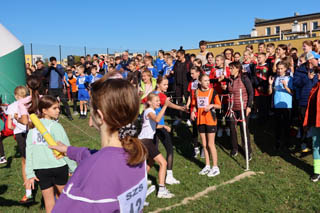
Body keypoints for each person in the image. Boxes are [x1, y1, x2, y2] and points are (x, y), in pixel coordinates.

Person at [50, 78, 148, 211]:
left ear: (100, 116)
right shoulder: (137, 154)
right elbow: (92, 156)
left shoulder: (93, 171)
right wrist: (68, 150)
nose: (90, 121)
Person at [25, 96, 77, 213]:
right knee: (65, 200)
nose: (58, 110)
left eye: (58, 108)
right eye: (54, 108)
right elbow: (66, 148)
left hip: (40, 170)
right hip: (58, 167)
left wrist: (30, 173)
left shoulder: (32, 130)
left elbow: (29, 153)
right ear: (44, 111)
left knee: (49, 203)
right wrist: (74, 169)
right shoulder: (56, 126)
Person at [138, 93, 174, 198]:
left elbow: (154, 124)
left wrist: (164, 126)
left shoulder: (151, 111)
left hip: (144, 141)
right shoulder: (149, 111)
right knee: (163, 163)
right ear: (149, 102)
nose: (159, 102)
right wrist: (166, 105)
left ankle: (140, 181)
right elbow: (157, 119)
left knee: (151, 161)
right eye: (156, 101)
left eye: (159, 101)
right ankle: (161, 190)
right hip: (146, 141)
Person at [152, 76, 186, 185]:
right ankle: (169, 176)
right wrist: (180, 108)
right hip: (160, 127)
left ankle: (143, 176)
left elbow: (143, 102)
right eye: (165, 84)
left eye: (167, 84)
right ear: (158, 85)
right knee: (170, 150)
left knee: (153, 152)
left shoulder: (152, 94)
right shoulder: (160, 95)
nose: (167, 86)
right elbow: (168, 104)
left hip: (153, 127)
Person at [191, 74, 221, 177]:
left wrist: (212, 105)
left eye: (208, 80)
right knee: (204, 144)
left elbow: (219, 105)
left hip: (210, 121)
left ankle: (215, 167)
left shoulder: (213, 92)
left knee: (210, 144)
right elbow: (195, 105)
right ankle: (207, 165)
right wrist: (192, 112)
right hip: (200, 120)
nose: (207, 82)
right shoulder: (196, 92)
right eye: (205, 80)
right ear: (200, 82)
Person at [6, 86, 32, 203]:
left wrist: (14, 121)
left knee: (25, 161)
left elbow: (10, 126)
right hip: (33, 131)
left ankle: (28, 192)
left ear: (16, 96)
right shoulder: (31, 103)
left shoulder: (11, 107)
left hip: (21, 134)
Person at [223, 62, 253, 159]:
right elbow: (229, 92)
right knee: (232, 128)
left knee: (244, 129)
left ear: (237, 68)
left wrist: (249, 106)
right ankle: (234, 148)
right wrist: (225, 89)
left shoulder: (244, 78)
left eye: (231, 68)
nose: (230, 70)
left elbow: (251, 93)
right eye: (229, 68)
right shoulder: (229, 79)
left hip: (243, 108)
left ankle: (247, 150)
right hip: (232, 108)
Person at [268, 62, 293, 149]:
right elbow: (270, 93)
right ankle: (277, 142)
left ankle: (287, 142)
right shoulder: (274, 78)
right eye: (278, 68)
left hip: (287, 105)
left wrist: (285, 86)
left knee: (287, 125)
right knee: (277, 125)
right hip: (277, 105)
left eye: (281, 68)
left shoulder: (289, 78)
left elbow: (293, 92)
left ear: (285, 69)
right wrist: (270, 85)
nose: (279, 70)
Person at [303, 66, 320, 182]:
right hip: (315, 122)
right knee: (315, 146)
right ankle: (317, 171)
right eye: (318, 73)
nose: (318, 75)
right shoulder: (315, 87)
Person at [186, 66, 201, 157]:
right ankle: (196, 148)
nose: (191, 75)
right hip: (193, 107)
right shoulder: (191, 82)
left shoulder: (203, 81)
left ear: (198, 72)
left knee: (202, 128)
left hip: (201, 108)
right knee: (195, 128)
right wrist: (188, 104)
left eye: (193, 73)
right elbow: (190, 95)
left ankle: (204, 147)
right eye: (190, 73)